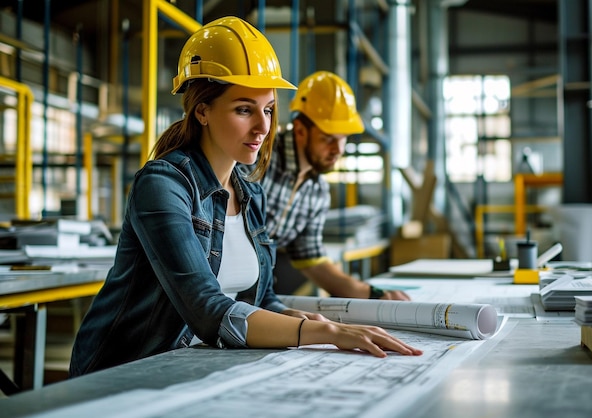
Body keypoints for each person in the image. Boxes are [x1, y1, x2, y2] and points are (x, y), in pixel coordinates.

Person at [69, 17, 421, 377]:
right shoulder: (162, 185)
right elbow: (207, 309)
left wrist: (295, 316)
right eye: (243, 109)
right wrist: (325, 332)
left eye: (267, 109)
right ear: (202, 111)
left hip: (193, 367)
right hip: (124, 371)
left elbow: (261, 297)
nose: (263, 127)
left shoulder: (250, 192)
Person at [259, 71, 410, 300]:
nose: (338, 150)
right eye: (328, 138)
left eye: (343, 138)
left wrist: (375, 295)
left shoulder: (317, 191)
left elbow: (312, 260)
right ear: (300, 130)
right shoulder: (260, 160)